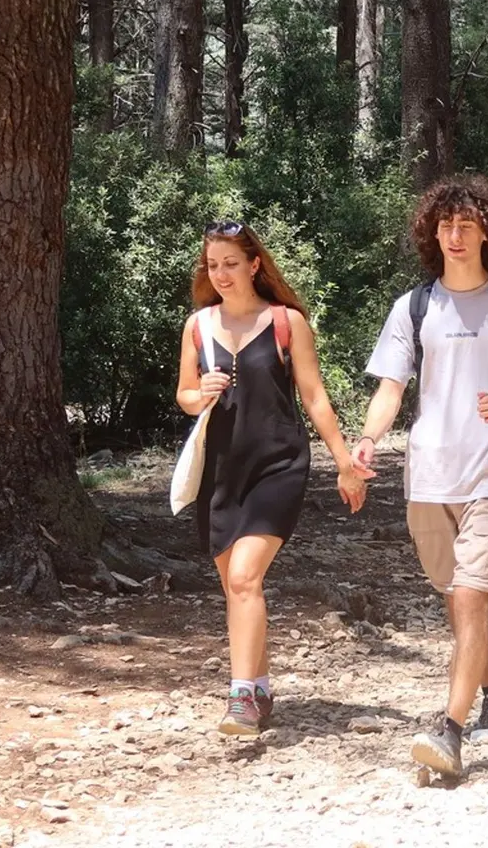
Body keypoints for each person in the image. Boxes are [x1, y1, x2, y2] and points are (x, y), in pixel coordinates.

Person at [353, 174, 488, 780]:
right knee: (460, 606)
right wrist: (367, 441)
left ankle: (448, 732)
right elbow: (390, 388)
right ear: (432, 232)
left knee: (471, 597)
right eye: (445, 225)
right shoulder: (413, 307)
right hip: (428, 477)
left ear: (487, 233)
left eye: (467, 226)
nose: (454, 236)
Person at [174, 220, 368, 737]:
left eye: (231, 264)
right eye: (213, 265)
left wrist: (345, 462)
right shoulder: (197, 326)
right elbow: (185, 396)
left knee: (244, 578)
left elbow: (315, 397)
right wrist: (201, 393)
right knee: (237, 587)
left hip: (279, 465)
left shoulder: (287, 322)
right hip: (219, 472)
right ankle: (258, 688)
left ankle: (240, 697)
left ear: (255, 264)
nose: (221, 275)